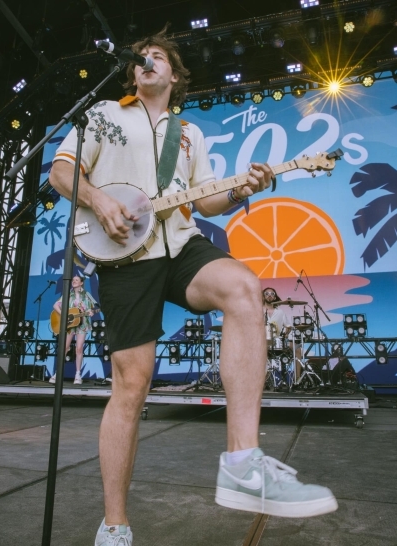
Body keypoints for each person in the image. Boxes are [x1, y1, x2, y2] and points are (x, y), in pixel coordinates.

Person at [49, 27, 337, 546]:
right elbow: (63, 172)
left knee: (244, 288)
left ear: (176, 75)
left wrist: (242, 189)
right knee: (131, 387)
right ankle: (115, 524)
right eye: (141, 58)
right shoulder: (104, 116)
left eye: (158, 56)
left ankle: (243, 463)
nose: (146, 61)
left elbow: (204, 204)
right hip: (122, 256)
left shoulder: (191, 136)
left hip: (179, 244)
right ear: (133, 71)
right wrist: (99, 201)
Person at [49, 274, 96, 385]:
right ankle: (57, 373)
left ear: (81, 283)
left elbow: (93, 308)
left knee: (79, 349)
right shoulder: (68, 294)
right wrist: (65, 314)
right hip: (70, 324)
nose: (74, 281)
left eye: (76, 280)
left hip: (82, 324)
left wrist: (91, 312)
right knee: (64, 348)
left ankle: (78, 375)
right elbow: (55, 305)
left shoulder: (87, 295)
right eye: (73, 280)